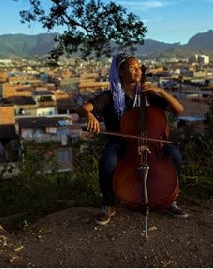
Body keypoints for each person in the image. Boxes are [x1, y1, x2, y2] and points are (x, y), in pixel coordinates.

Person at [79, 53, 189, 225]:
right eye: (133, 67)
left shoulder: (147, 94)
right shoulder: (109, 96)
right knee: (108, 161)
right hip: (121, 145)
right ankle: (108, 204)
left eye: (139, 67)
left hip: (152, 145)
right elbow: (84, 108)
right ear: (121, 72)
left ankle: (170, 200)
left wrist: (160, 91)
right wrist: (89, 115)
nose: (139, 70)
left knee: (175, 154)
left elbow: (179, 109)